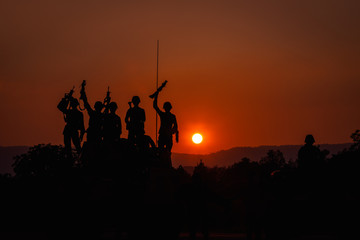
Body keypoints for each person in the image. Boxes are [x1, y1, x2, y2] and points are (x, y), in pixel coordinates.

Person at [152, 91, 178, 167]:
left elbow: (175, 127)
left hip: (167, 135)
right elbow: (155, 106)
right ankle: (163, 165)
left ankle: (166, 165)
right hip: (165, 135)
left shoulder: (169, 116)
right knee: (163, 151)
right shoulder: (167, 115)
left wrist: (170, 132)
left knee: (167, 152)